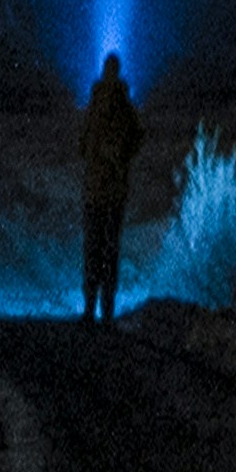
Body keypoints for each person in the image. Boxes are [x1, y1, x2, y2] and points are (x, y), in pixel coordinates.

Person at [77, 45, 141, 323]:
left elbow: (82, 145)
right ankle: (103, 309)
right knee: (107, 250)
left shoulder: (98, 107)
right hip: (110, 193)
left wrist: (102, 156)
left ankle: (94, 308)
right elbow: (136, 140)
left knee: (95, 249)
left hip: (99, 192)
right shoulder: (122, 108)